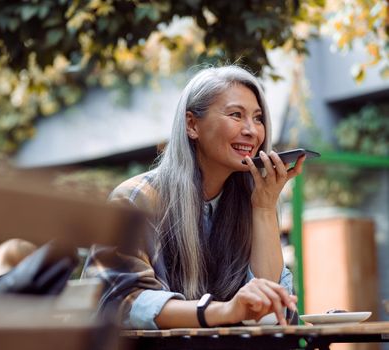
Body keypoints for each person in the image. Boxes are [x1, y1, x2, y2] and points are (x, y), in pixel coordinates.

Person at [82, 65, 305, 329]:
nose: (252, 131)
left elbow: (270, 312)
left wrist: (265, 208)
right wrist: (222, 312)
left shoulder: (251, 203)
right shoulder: (136, 199)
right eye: (236, 114)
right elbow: (120, 301)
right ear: (191, 125)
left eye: (258, 118)